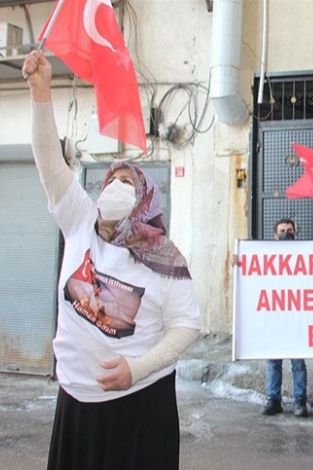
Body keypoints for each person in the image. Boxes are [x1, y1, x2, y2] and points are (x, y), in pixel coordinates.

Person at [23, 51, 202, 470]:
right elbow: (50, 164)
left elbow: (186, 326)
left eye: (128, 183)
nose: (116, 188)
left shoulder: (163, 257)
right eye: (112, 181)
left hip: (137, 404)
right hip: (76, 400)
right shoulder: (81, 221)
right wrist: (40, 93)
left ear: (144, 201)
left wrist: (137, 369)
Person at [262, 218, 309, 417]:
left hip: (296, 316)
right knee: (273, 360)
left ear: (295, 233)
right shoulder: (266, 257)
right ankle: (274, 399)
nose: (286, 233)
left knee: (298, 361)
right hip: (275, 317)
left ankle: (300, 401)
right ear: (274, 235)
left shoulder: (305, 255)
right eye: (282, 231)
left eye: (289, 230)